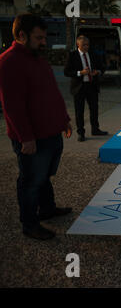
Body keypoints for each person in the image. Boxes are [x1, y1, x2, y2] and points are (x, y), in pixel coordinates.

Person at [0, 13, 73, 240]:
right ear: (22, 35)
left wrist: (64, 120)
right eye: (39, 38)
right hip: (33, 138)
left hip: (50, 132)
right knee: (31, 180)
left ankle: (47, 209)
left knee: (43, 176)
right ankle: (30, 224)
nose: (44, 42)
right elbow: (12, 106)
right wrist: (25, 137)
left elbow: (52, 93)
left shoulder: (37, 59)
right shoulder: (9, 61)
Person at [64, 35, 107, 142]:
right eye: (84, 45)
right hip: (79, 87)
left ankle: (95, 129)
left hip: (92, 86)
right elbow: (67, 72)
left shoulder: (93, 54)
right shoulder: (72, 55)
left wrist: (98, 72)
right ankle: (81, 133)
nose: (86, 47)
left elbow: (102, 67)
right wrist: (80, 73)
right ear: (78, 44)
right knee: (79, 111)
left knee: (94, 109)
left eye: (87, 44)